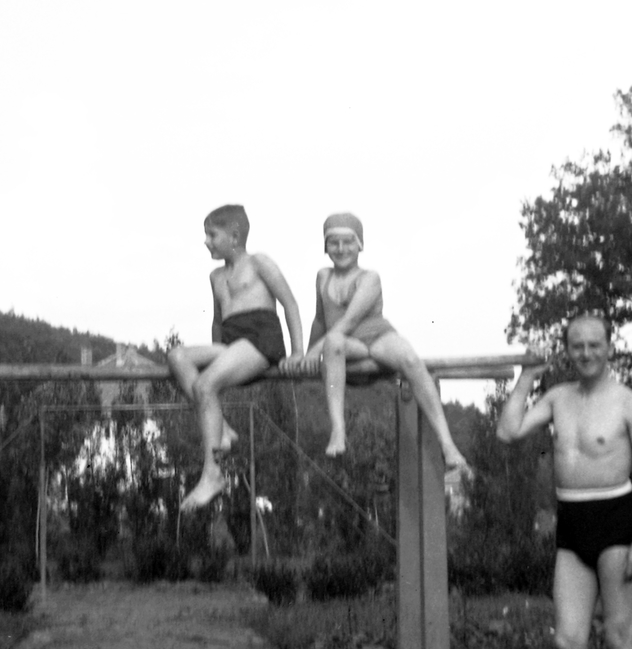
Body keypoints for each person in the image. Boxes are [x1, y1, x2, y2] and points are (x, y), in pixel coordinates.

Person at [495, 314, 632, 649]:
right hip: (572, 523)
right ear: (567, 349)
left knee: (616, 636)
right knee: (569, 640)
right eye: (577, 346)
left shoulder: (630, 404)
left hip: (617, 520)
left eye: (594, 345)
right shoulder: (558, 398)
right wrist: (527, 377)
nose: (585, 353)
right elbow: (508, 431)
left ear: (609, 347)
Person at [282, 213, 473, 474]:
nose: (341, 249)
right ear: (325, 247)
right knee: (334, 342)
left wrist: (315, 352)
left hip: (376, 336)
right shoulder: (323, 277)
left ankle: (447, 443)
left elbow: (349, 322)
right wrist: (308, 358)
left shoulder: (370, 278)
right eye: (333, 243)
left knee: (409, 360)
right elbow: (320, 320)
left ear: (360, 244)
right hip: (346, 344)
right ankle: (338, 430)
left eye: (348, 242)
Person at [167, 205, 303, 511]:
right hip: (231, 343)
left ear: (235, 235)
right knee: (176, 356)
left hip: (260, 340)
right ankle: (222, 427)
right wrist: (219, 368)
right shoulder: (215, 276)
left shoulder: (259, 263)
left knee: (204, 386)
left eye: (212, 234)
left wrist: (297, 353)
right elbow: (218, 322)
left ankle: (212, 474)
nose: (206, 241)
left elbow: (290, 304)